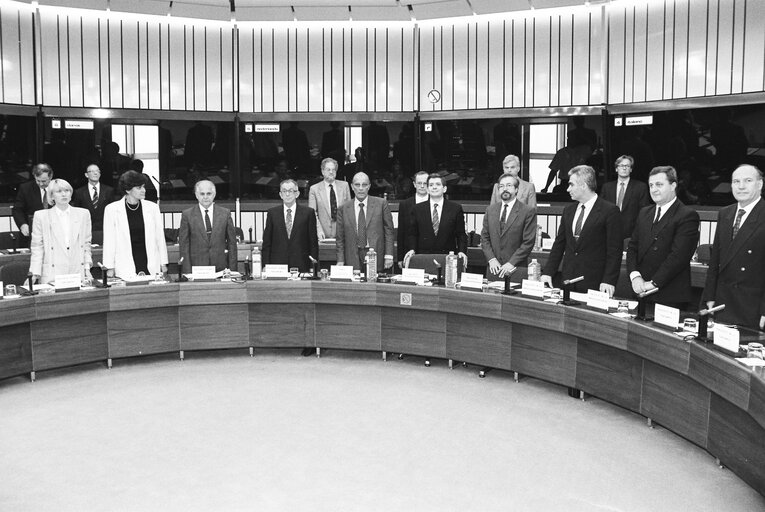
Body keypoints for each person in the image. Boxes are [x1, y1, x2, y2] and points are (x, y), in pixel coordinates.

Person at [626, 166, 699, 310]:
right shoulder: (644, 212)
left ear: (673, 186)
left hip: (669, 296)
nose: (653, 189)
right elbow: (633, 247)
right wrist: (635, 277)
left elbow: (678, 257)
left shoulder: (687, 215)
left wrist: (653, 283)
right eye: (651, 185)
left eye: (659, 185)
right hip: (640, 291)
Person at [542, 165, 622, 295]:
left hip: (595, 282)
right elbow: (559, 244)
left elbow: (615, 251)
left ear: (584, 185)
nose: (568, 189)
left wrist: (609, 280)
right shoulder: (569, 211)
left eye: (571, 185)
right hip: (568, 281)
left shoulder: (609, 211)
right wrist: (548, 272)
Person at [703, 164, 765, 330]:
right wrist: (709, 296)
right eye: (736, 181)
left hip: (751, 308)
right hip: (722, 304)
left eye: (748, 181)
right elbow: (715, 259)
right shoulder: (725, 213)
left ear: (760, 184)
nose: (741, 186)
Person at [102, 171, 168, 279]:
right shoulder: (112, 209)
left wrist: (163, 263)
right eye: (139, 188)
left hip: (150, 261)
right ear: (128, 190)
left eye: (143, 187)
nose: (144, 190)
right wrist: (109, 267)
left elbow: (160, 237)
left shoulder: (153, 208)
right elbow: (109, 240)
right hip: (124, 264)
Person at [28, 179, 92, 284]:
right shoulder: (41, 216)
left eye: (67, 190)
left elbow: (86, 244)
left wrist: (87, 268)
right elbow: (37, 247)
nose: (64, 194)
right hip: (52, 272)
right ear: (52, 196)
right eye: (59, 191)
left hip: (76, 270)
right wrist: (34, 273)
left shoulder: (83, 214)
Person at [481, 174, 537, 281]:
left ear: (516, 189)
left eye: (509, 185)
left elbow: (528, 242)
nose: (504, 189)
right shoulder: (490, 210)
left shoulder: (527, 211)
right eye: (501, 186)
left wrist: (511, 263)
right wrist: (491, 259)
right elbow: (484, 238)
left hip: (516, 269)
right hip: (494, 268)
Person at [404, 173, 467, 267]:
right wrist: (412, 249)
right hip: (423, 258)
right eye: (431, 185)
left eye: (438, 184)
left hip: (447, 258)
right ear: (428, 189)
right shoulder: (417, 209)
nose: (434, 187)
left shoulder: (455, 208)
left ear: (444, 189)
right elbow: (413, 234)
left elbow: (461, 234)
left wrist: (462, 251)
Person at [336, 172, 395, 271]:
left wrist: (389, 255)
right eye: (357, 185)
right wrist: (340, 260)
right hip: (352, 255)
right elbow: (340, 238)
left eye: (364, 185)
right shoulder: (343, 208)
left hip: (374, 253)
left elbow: (389, 231)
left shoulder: (381, 204)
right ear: (352, 186)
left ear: (369, 186)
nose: (360, 188)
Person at [178, 180, 238, 273]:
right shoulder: (187, 215)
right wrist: (187, 272)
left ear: (214, 195)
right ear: (196, 195)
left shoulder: (225, 214)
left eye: (209, 193)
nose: (205, 197)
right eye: (202, 194)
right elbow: (184, 246)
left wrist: (233, 270)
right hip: (197, 269)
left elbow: (232, 244)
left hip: (221, 269)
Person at [261, 179, 319, 272]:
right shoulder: (272, 213)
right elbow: (267, 243)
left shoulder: (308, 213)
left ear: (297, 194)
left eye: (291, 191)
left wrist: (313, 266)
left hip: (301, 265)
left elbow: (313, 243)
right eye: (284, 191)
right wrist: (265, 265)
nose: (287, 194)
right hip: (277, 266)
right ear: (280, 194)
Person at [601, 155, 650, 240]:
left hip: (631, 234)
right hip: (609, 232)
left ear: (631, 169)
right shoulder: (607, 187)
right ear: (616, 169)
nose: (624, 168)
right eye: (621, 165)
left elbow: (644, 212)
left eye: (627, 166)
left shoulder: (640, 187)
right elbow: (601, 210)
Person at [71, 164, 118, 245]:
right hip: (86, 231)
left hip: (105, 230)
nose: (95, 173)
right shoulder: (79, 192)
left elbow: (113, 212)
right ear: (86, 175)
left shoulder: (109, 191)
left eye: (97, 171)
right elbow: (77, 214)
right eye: (92, 171)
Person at [307, 158, 351, 240]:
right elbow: (312, 213)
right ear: (322, 171)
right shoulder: (314, 189)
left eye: (333, 170)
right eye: (328, 170)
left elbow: (349, 210)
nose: (331, 172)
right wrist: (318, 230)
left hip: (342, 234)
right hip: (322, 235)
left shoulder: (344, 186)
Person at [13, 163, 53, 247]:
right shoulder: (25, 188)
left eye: (44, 181)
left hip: (54, 233)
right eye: (38, 181)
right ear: (34, 176)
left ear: (50, 177)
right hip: (32, 233)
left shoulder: (58, 187)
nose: (41, 184)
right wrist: (22, 225)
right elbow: (17, 209)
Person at [396, 171, 430, 265]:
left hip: (429, 254)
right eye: (419, 183)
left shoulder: (436, 204)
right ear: (414, 184)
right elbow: (401, 233)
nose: (422, 186)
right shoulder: (405, 204)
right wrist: (400, 258)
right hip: (409, 253)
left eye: (425, 183)